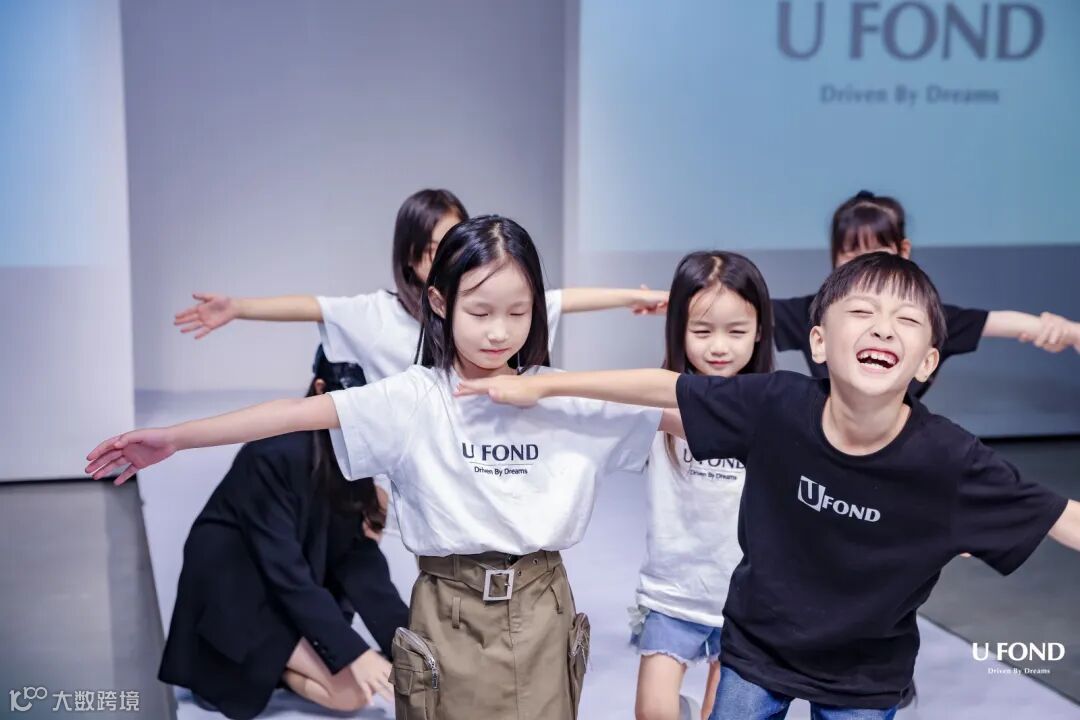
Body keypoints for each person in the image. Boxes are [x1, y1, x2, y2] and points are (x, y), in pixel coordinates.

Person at [87, 215, 671, 720]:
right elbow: (291, 414)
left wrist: (555, 387)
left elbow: (693, 412)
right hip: (452, 611)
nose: (499, 331)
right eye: (480, 311)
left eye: (518, 312)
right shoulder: (413, 398)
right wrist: (176, 438)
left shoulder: (564, 397)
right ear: (440, 303)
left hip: (546, 608)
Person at [455, 252, 1080, 719]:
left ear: (928, 361)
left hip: (865, 670)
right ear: (818, 343)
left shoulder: (951, 459)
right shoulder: (777, 404)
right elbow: (665, 387)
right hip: (760, 647)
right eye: (862, 313)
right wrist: (543, 384)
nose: (884, 328)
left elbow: (1062, 517)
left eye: (906, 320)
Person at [157, 348, 409, 719]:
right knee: (352, 695)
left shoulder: (353, 456)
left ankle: (279, 661)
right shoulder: (273, 453)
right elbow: (283, 569)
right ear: (320, 389)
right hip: (242, 592)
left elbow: (359, 562)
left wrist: (403, 643)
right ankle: (254, 670)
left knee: (376, 508)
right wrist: (355, 652)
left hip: (291, 580)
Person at [632, 251, 773, 720]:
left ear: (759, 331)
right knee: (653, 713)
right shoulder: (658, 402)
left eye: (736, 331)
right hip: (672, 593)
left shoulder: (772, 408)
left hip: (743, 600)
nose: (719, 346)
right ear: (678, 329)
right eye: (702, 330)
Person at [771, 190, 1080, 397]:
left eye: (877, 252)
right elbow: (752, 311)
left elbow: (999, 322)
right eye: (852, 255)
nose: (866, 268)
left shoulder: (927, 318)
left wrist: (1065, 331)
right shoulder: (812, 311)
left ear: (903, 250)